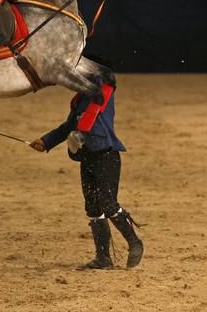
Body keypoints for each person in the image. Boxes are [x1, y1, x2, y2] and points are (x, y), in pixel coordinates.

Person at [30, 79, 144, 269]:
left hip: (106, 156)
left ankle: (135, 242)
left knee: (108, 203)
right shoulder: (81, 99)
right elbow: (69, 126)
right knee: (92, 207)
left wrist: (78, 134)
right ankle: (103, 258)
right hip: (87, 157)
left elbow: (90, 119)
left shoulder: (102, 92)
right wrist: (46, 141)